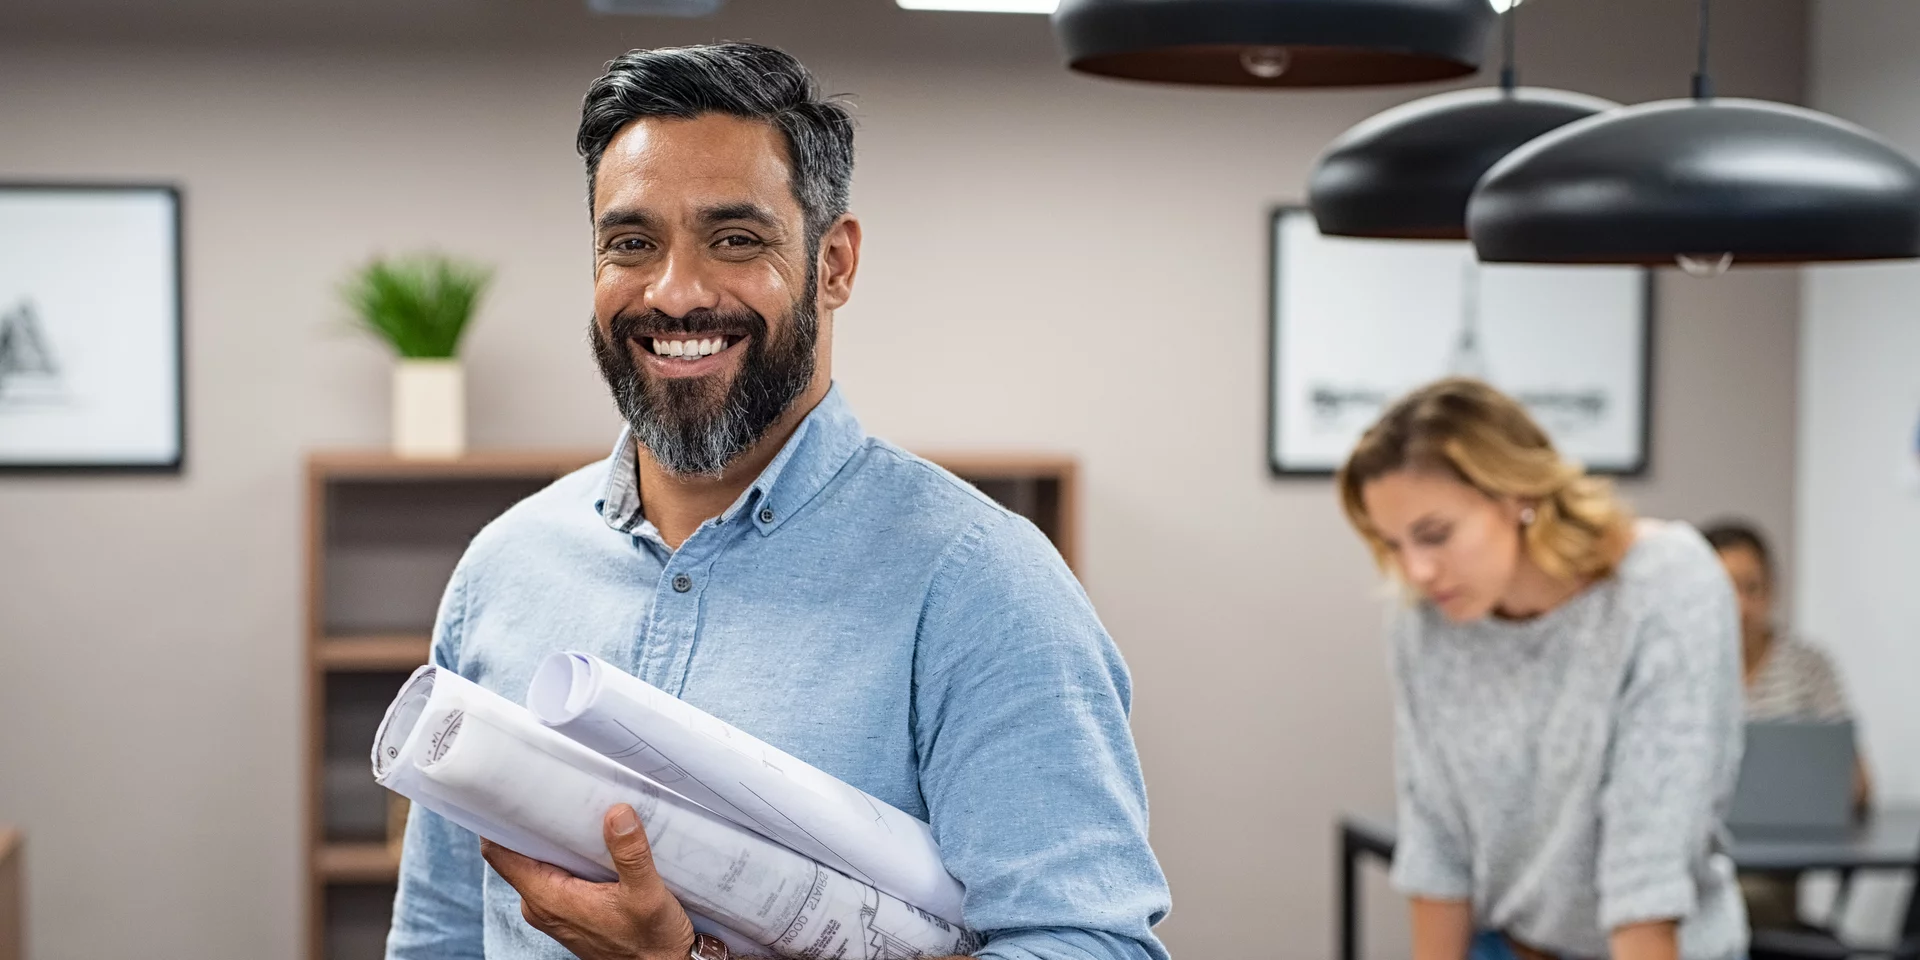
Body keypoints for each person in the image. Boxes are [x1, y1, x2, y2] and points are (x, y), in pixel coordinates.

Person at [384, 43, 1170, 960]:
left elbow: (1087, 946)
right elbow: (440, 934)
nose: (675, 293)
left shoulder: (982, 585)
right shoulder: (505, 567)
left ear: (833, 264)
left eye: (736, 240)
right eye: (632, 243)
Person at [1337, 378, 1748, 960]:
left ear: (1517, 494)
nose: (1417, 570)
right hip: (1510, 947)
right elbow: (1437, 845)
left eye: (1435, 534)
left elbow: (1647, 877)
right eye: (1393, 544)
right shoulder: (1423, 621)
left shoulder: (1664, 587)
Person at [1700, 519, 1869, 931]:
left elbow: (1858, 782)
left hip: (1775, 871)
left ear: (1772, 589)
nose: (1739, 606)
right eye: (1724, 590)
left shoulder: (1808, 666)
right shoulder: (1677, 670)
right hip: (1696, 860)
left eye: (1751, 588)